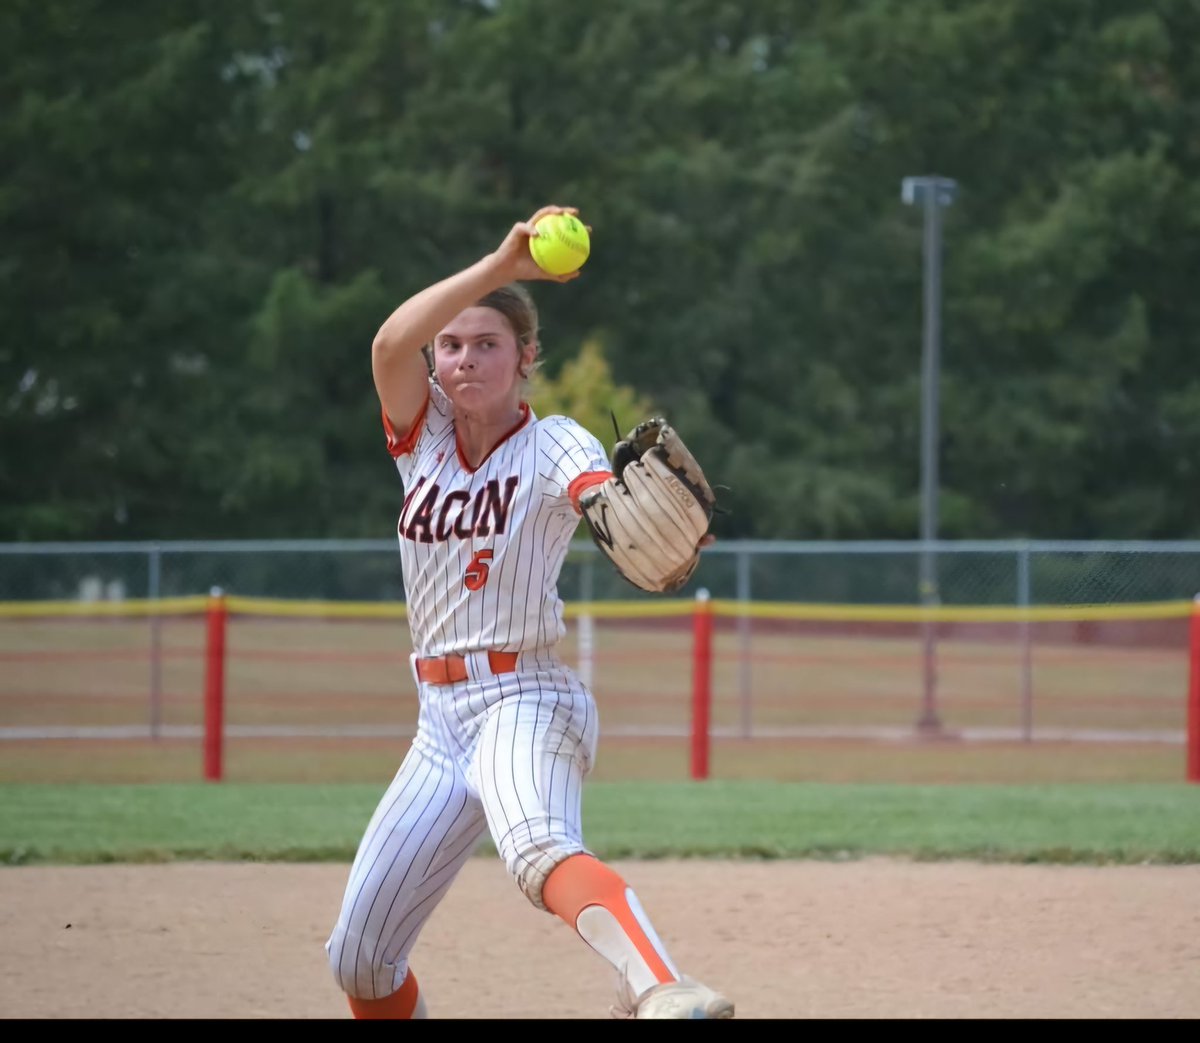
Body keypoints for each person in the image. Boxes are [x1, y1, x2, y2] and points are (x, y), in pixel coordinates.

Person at [323, 205, 733, 1020]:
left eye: (488, 343)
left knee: (537, 845)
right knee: (360, 960)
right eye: (453, 345)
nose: (465, 359)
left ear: (526, 357)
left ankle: (663, 985)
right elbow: (385, 346)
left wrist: (612, 501)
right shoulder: (423, 438)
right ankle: (640, 982)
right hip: (438, 722)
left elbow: (595, 490)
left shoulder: (556, 444)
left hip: (525, 698)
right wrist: (502, 266)